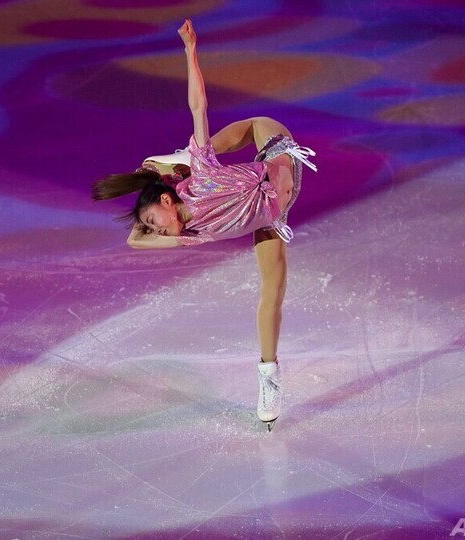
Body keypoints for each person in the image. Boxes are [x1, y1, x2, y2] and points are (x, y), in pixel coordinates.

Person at [92, 18, 316, 431]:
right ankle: (269, 376)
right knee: (272, 294)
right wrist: (163, 232)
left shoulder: (204, 180)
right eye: (154, 229)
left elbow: (199, 106)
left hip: (276, 154)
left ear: (166, 200)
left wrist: (190, 50)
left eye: (154, 221)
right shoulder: (191, 236)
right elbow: (134, 239)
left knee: (231, 139)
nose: (155, 230)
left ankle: (184, 156)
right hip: (271, 216)